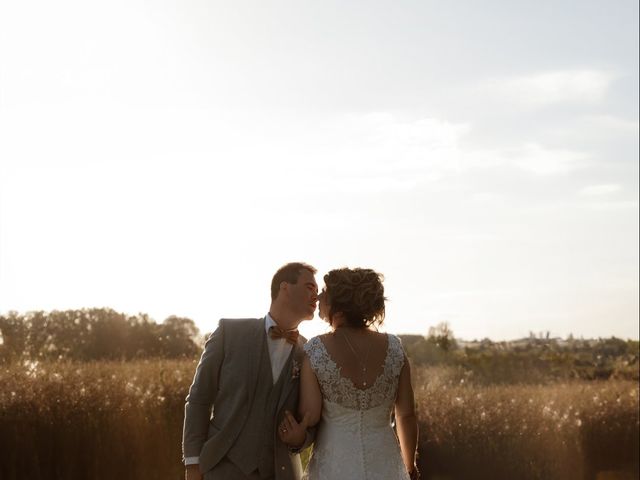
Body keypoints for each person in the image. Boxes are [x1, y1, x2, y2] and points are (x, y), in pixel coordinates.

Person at [278, 267, 420, 480]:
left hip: (334, 467)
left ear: (341, 305)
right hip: (385, 465)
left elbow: (311, 414)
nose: (319, 295)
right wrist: (409, 466)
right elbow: (406, 415)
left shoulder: (316, 350)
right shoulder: (395, 348)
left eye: (325, 291)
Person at [182, 262, 319, 480]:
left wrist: (301, 438)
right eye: (310, 288)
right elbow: (199, 398)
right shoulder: (229, 333)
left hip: (280, 473)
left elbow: (315, 418)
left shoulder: (311, 352)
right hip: (221, 468)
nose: (316, 297)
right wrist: (192, 463)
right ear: (284, 288)